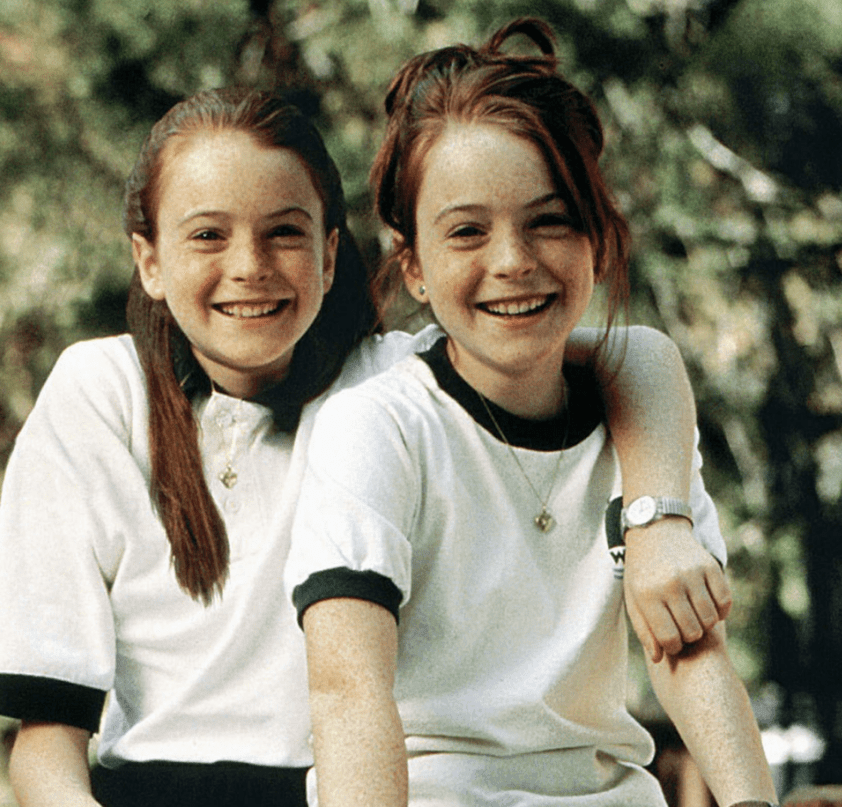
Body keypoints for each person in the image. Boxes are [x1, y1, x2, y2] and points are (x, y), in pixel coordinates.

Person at [0, 85, 728, 807]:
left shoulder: (386, 387)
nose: (250, 264)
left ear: (331, 253)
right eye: (208, 233)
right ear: (148, 259)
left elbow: (633, 357)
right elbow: (46, 740)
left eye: (284, 231)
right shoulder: (99, 392)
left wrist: (659, 523)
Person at [287, 19, 778, 807]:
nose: (512, 260)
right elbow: (349, 694)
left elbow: (689, 651)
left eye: (549, 219)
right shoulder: (379, 428)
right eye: (467, 231)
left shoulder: (641, 428)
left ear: (599, 240)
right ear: (413, 264)